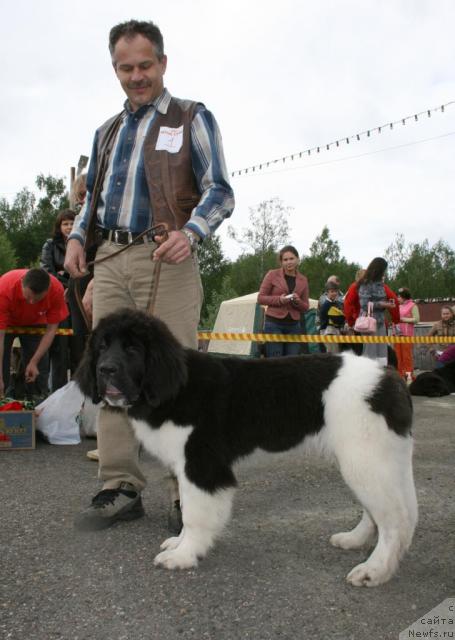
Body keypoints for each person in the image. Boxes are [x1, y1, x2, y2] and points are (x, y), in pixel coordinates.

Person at [64, 19, 234, 531]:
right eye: (125, 67)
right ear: (115, 68)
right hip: (112, 257)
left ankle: (188, 489)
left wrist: (194, 231)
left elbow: (220, 189)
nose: (136, 76)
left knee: (175, 371)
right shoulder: (105, 132)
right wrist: (77, 238)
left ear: (162, 62)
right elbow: (91, 197)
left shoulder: (192, 116)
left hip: (169, 255)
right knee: (107, 367)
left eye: (144, 65)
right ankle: (119, 485)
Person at [0, 268, 68, 399]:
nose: (31, 303)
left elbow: (51, 330)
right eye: (28, 297)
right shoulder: (4, 289)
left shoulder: (56, 290)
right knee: (2, 365)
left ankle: (38, 398)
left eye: (37, 299)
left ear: (47, 290)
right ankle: (4, 400)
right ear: (21, 284)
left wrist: (34, 361)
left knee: (38, 370)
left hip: (36, 323)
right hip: (6, 323)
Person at [40, 209, 76, 391]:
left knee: (79, 348)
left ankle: (79, 396)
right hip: (58, 300)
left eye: (72, 223)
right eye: (65, 224)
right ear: (59, 226)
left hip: (77, 298)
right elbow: (47, 272)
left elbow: (85, 270)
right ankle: (57, 393)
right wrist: (66, 281)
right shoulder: (50, 245)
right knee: (59, 350)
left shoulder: (82, 244)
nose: (69, 227)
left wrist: (71, 281)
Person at [343, 257, 399, 366]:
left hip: (379, 322)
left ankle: (380, 376)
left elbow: (348, 304)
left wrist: (386, 306)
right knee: (370, 353)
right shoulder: (365, 284)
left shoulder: (380, 285)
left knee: (382, 353)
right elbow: (364, 304)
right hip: (367, 324)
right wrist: (385, 307)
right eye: (384, 270)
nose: (385, 273)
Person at [257, 246, 309, 357]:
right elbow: (260, 298)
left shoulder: (303, 279)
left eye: (291, 258)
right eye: (285, 260)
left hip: (294, 326)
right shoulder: (272, 274)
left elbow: (305, 307)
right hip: (274, 324)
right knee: (275, 362)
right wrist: (279, 300)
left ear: (298, 259)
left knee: (291, 362)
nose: (289, 262)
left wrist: (298, 301)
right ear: (281, 262)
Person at [395, 287, 420, 381]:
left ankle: (409, 375)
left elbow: (416, 319)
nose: (397, 298)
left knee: (406, 356)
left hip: (407, 334)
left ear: (404, 297)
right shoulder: (398, 306)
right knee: (397, 355)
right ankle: (400, 375)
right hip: (396, 334)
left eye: (399, 297)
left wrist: (403, 319)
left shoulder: (413, 305)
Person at [319, 282, 345, 353]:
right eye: (332, 292)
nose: (334, 293)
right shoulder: (326, 305)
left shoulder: (337, 303)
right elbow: (323, 321)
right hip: (328, 332)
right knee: (332, 353)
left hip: (336, 331)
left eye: (336, 291)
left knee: (336, 352)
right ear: (327, 293)